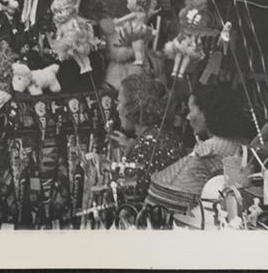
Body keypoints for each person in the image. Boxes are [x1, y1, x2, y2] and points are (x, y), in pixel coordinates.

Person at [146, 83, 256, 205]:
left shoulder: (212, 147)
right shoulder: (238, 144)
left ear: (205, 113)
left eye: (190, 110)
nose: (188, 117)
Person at [108, 73, 185, 202]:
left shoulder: (147, 145)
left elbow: (126, 199)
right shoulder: (164, 135)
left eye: (119, 102)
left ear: (133, 107)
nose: (117, 108)